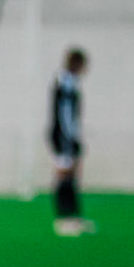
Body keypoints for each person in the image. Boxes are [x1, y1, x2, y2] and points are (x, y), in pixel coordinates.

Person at [49, 47, 94, 236]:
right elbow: (65, 114)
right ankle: (63, 218)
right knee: (64, 174)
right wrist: (70, 136)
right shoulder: (65, 82)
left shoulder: (71, 82)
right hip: (63, 136)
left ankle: (74, 216)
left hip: (67, 135)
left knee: (72, 175)